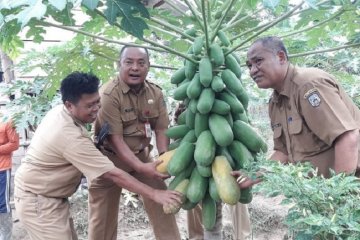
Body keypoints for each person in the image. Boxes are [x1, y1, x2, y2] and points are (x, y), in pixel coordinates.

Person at [13, 72, 182, 240]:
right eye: (89, 106)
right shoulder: (68, 135)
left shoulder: (62, 112)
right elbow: (112, 174)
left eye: (97, 102)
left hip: (50, 198)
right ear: (70, 105)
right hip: (38, 200)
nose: (96, 109)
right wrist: (154, 194)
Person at [88, 46, 181, 240]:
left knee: (163, 203)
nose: (135, 68)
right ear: (119, 64)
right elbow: (116, 139)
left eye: (141, 62)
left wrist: (164, 157)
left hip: (142, 157)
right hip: (108, 163)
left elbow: (161, 128)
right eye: (129, 62)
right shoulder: (109, 95)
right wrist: (141, 167)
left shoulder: (155, 93)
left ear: (148, 66)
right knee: (102, 221)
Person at [243, 36, 360, 180]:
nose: (253, 71)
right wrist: (252, 176)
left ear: (281, 57)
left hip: (349, 191)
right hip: (319, 194)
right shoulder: (275, 103)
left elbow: (348, 138)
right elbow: (284, 153)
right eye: (249, 66)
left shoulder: (308, 85)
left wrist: (337, 192)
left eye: (258, 61)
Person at [172, 102, 251, 240]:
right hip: (198, 160)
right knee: (195, 196)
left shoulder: (230, 112)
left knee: (235, 195)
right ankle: (197, 236)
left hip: (227, 158)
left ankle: (243, 236)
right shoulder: (186, 110)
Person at [0, 115, 19, 240]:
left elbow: (15, 144)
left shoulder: (7, 120)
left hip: (2, 168)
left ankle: (6, 236)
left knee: (2, 203)